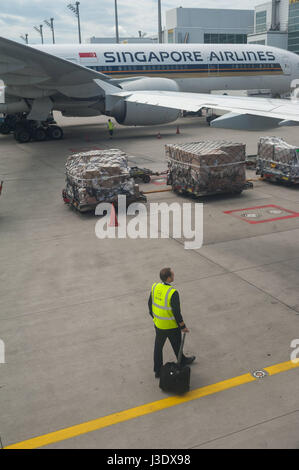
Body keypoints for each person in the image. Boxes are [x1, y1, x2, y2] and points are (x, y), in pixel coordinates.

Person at [148, 268, 196, 378]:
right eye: (172, 274)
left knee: (158, 347)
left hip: (159, 325)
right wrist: (183, 326)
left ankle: (157, 370)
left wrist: (155, 318)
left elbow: (150, 304)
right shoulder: (173, 293)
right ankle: (182, 361)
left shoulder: (155, 287)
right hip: (171, 326)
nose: (174, 275)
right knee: (177, 344)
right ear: (169, 278)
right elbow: (177, 313)